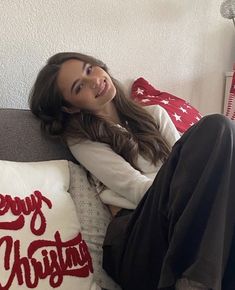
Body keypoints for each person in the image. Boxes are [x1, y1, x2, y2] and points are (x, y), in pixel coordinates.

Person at [29, 52, 235, 290]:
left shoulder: (155, 113)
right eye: (79, 87)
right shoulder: (83, 140)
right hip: (137, 242)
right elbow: (137, 188)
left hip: (177, 222)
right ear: (71, 108)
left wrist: (193, 184)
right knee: (218, 127)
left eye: (89, 69)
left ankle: (197, 282)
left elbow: (186, 167)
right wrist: (187, 183)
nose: (94, 80)